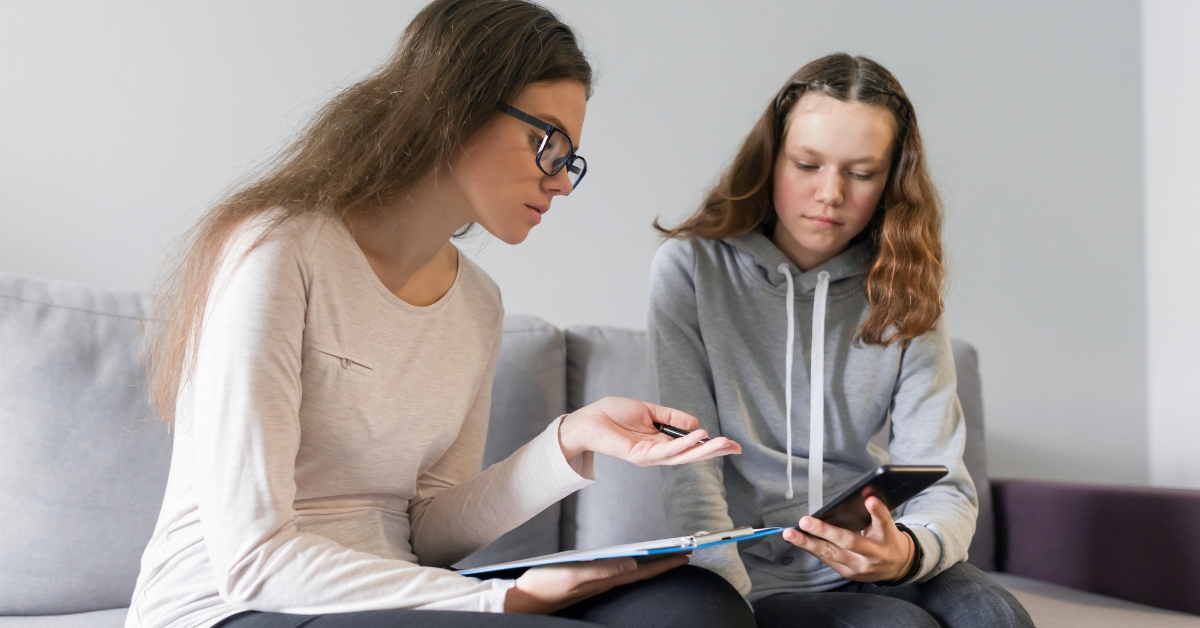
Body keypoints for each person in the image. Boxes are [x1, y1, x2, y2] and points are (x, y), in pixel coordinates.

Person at [128, 2, 755, 628]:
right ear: (455, 107)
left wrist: (569, 440)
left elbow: (421, 532)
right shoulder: (277, 250)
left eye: (571, 159)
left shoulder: (478, 303)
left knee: (697, 610)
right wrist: (499, 601)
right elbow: (253, 559)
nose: (562, 181)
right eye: (549, 144)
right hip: (231, 605)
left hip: (394, 595)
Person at [649, 53, 1034, 627]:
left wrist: (906, 551)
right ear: (770, 159)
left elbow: (943, 479)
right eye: (806, 163)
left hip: (870, 554)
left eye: (861, 173)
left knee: (995, 617)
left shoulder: (904, 285)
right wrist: (730, 594)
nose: (830, 193)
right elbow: (688, 468)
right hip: (750, 569)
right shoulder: (691, 269)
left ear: (890, 180)